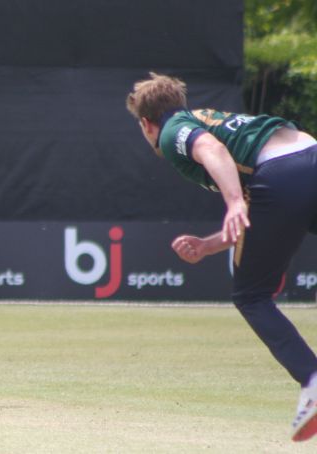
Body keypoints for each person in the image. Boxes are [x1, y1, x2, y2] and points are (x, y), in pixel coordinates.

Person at [126, 72, 317, 442]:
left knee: (250, 296)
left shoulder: (172, 130)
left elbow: (211, 150)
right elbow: (258, 214)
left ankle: (312, 380)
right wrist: (208, 245)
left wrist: (232, 202)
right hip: (309, 155)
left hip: (281, 175)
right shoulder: (205, 117)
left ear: (146, 124)